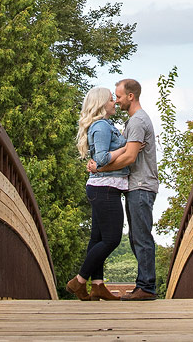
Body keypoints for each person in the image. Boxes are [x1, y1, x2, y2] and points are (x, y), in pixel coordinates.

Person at [87, 78, 158, 300]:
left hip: (141, 185)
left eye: (118, 97)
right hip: (134, 186)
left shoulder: (137, 122)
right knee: (136, 236)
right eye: (113, 98)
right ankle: (143, 285)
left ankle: (146, 287)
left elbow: (128, 156)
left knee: (141, 236)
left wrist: (100, 169)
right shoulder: (130, 122)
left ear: (131, 96)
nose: (116, 102)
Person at [65, 86, 130, 301]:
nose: (114, 103)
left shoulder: (103, 125)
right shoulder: (101, 126)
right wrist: (127, 149)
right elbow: (101, 158)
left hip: (102, 187)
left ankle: (98, 285)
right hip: (105, 188)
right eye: (112, 100)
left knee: (97, 238)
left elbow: (98, 160)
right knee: (111, 239)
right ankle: (80, 280)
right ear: (102, 104)